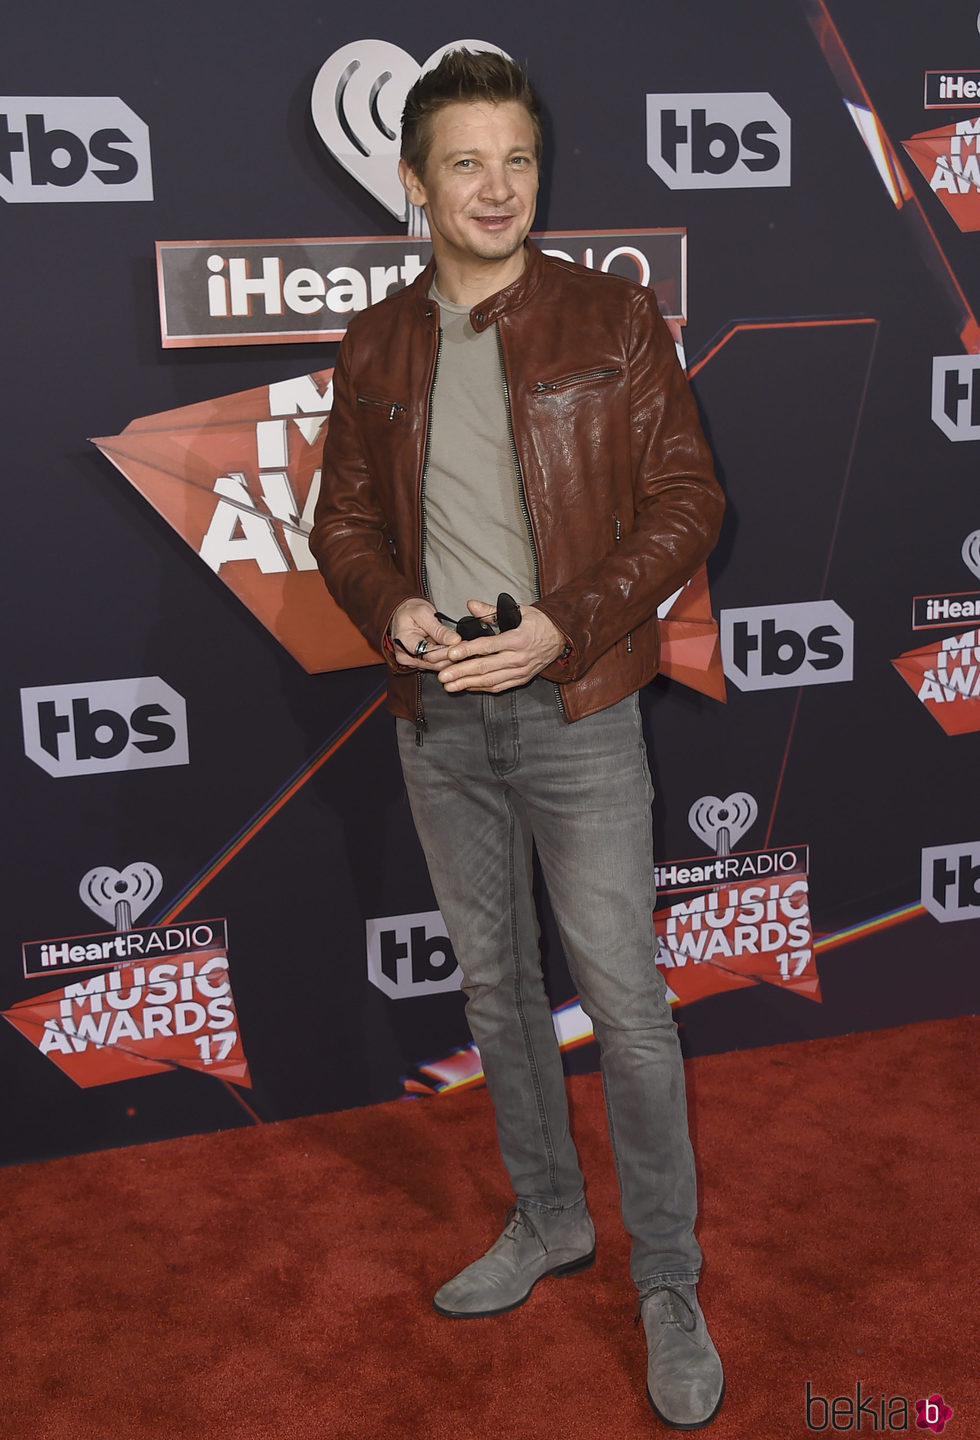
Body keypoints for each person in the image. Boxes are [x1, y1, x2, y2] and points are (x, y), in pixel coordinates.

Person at [310, 48, 726, 1431]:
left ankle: (668, 1280)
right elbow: (343, 530)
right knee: (496, 1000)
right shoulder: (374, 342)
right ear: (416, 182)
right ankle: (550, 1222)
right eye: (468, 163)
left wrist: (568, 624)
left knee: (628, 1011)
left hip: (578, 708)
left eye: (520, 160)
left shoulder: (611, 316)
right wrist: (399, 608)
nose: (498, 188)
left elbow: (686, 503)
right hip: (437, 720)